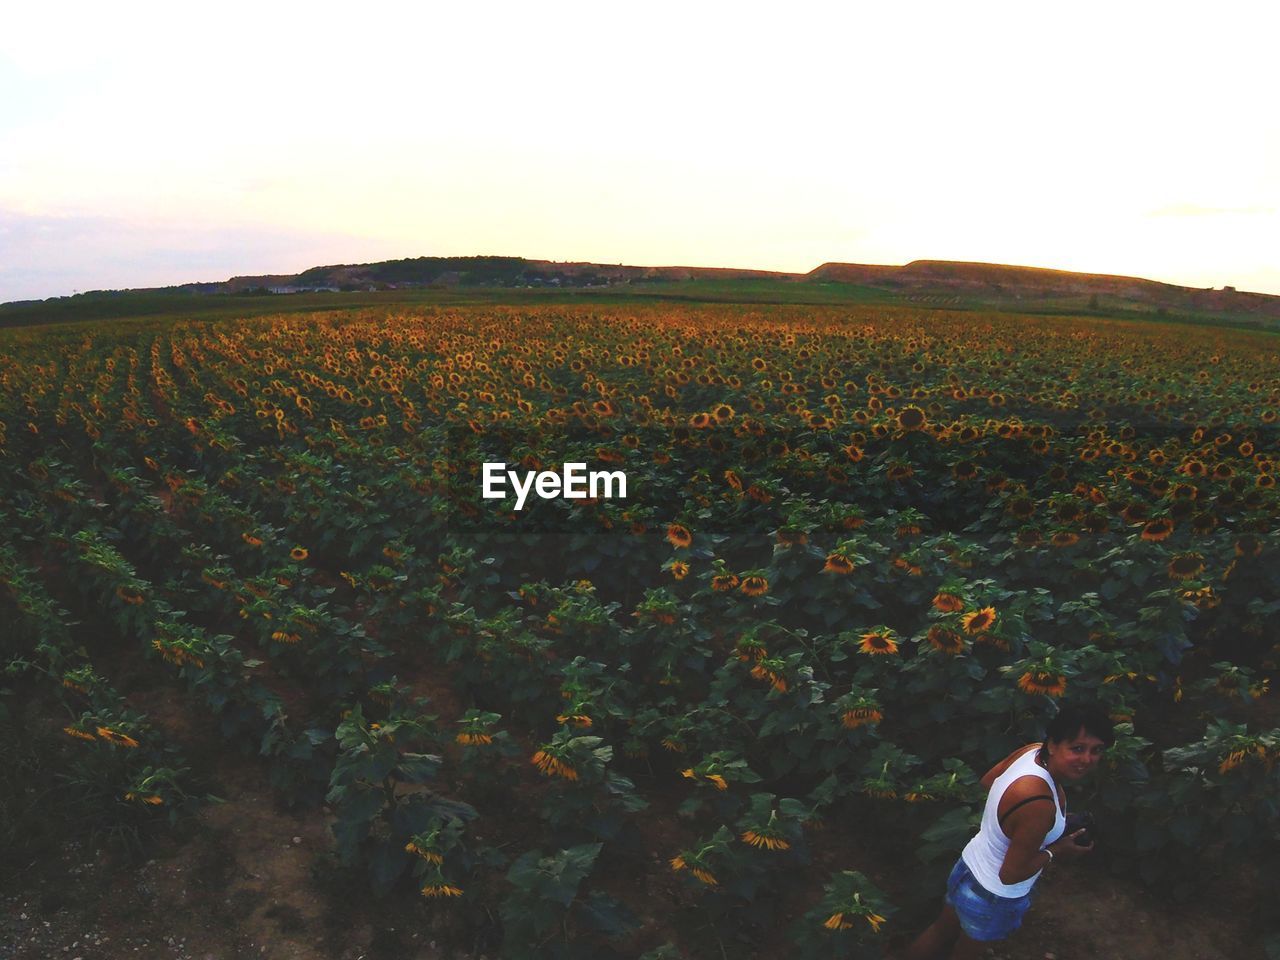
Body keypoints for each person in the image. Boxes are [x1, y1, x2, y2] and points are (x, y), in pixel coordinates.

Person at [892, 702, 1115, 960]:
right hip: (993, 896)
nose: (1087, 759)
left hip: (968, 867)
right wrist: (1057, 850)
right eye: (1077, 749)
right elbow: (1011, 874)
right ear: (1053, 744)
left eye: (1096, 750)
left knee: (940, 930)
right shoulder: (1039, 804)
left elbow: (988, 782)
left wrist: (1014, 824)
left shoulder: (1031, 753)